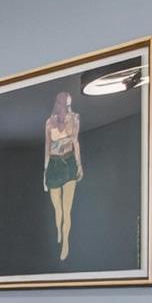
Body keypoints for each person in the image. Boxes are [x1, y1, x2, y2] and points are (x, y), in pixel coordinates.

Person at [43, 91, 83, 261]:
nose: (66, 107)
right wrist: (44, 172)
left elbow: (75, 142)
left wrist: (79, 164)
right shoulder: (49, 122)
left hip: (68, 164)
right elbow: (47, 146)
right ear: (58, 104)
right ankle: (58, 230)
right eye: (64, 104)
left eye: (68, 104)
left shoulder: (74, 119)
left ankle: (65, 241)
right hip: (53, 164)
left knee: (67, 209)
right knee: (57, 208)